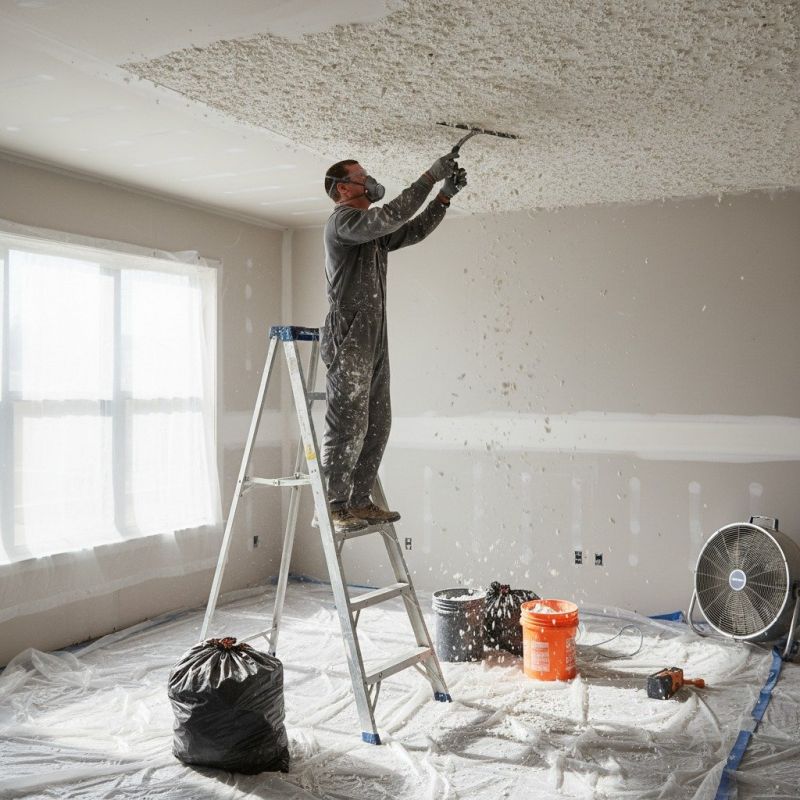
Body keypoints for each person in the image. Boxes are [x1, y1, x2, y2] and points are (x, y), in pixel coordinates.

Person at [321, 152, 468, 533]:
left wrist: (443, 198)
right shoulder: (344, 223)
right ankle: (336, 506)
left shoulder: (370, 233)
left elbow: (411, 230)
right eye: (362, 177)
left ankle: (360, 500)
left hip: (372, 335)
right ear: (342, 189)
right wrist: (430, 175)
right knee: (348, 423)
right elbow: (392, 215)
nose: (369, 181)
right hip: (349, 334)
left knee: (378, 422)